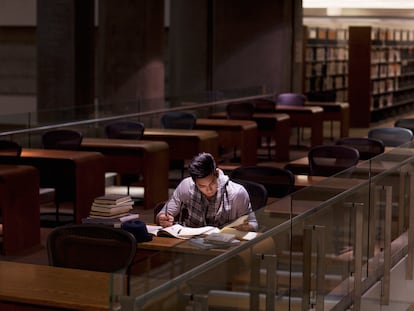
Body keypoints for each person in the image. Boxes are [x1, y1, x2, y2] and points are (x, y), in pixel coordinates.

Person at [156, 152, 258, 231]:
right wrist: (163, 218)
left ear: (217, 173)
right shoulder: (186, 186)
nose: (208, 189)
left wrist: (247, 227)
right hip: (193, 244)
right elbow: (164, 213)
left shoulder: (237, 193)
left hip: (226, 247)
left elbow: (253, 223)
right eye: (202, 186)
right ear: (194, 182)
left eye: (212, 183)